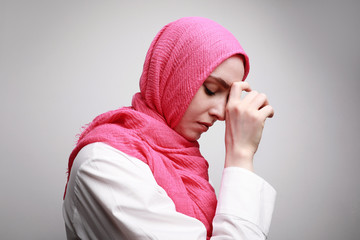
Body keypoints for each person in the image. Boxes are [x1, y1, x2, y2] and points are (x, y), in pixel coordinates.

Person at [63, 17, 276, 240]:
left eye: (229, 97)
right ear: (172, 76)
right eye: (211, 90)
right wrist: (240, 155)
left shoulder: (186, 166)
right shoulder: (104, 166)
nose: (223, 114)